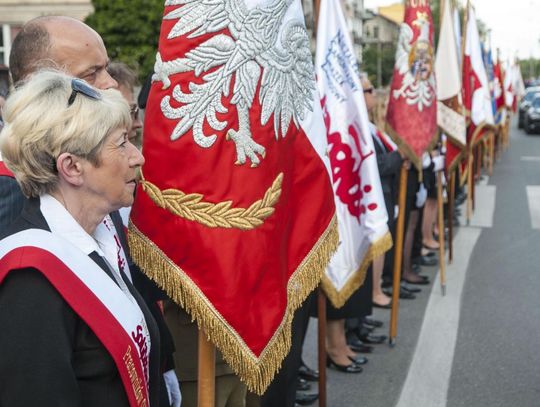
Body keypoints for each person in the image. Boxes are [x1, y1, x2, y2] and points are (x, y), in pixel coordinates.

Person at [4, 17, 181, 406]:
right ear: (71, 167)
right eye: (121, 143)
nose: (137, 157)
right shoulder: (28, 279)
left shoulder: (96, 229)